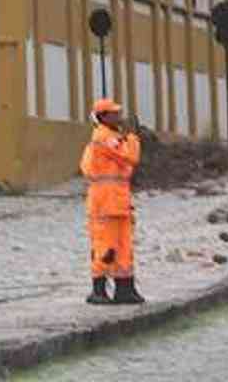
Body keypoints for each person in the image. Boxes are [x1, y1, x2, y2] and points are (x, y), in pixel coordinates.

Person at [80, 97, 145, 306]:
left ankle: (124, 288)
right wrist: (133, 138)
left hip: (118, 200)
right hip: (105, 202)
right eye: (114, 113)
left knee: (123, 246)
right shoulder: (103, 137)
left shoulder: (113, 138)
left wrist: (128, 139)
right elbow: (131, 158)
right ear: (103, 116)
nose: (119, 116)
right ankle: (98, 290)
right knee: (105, 245)